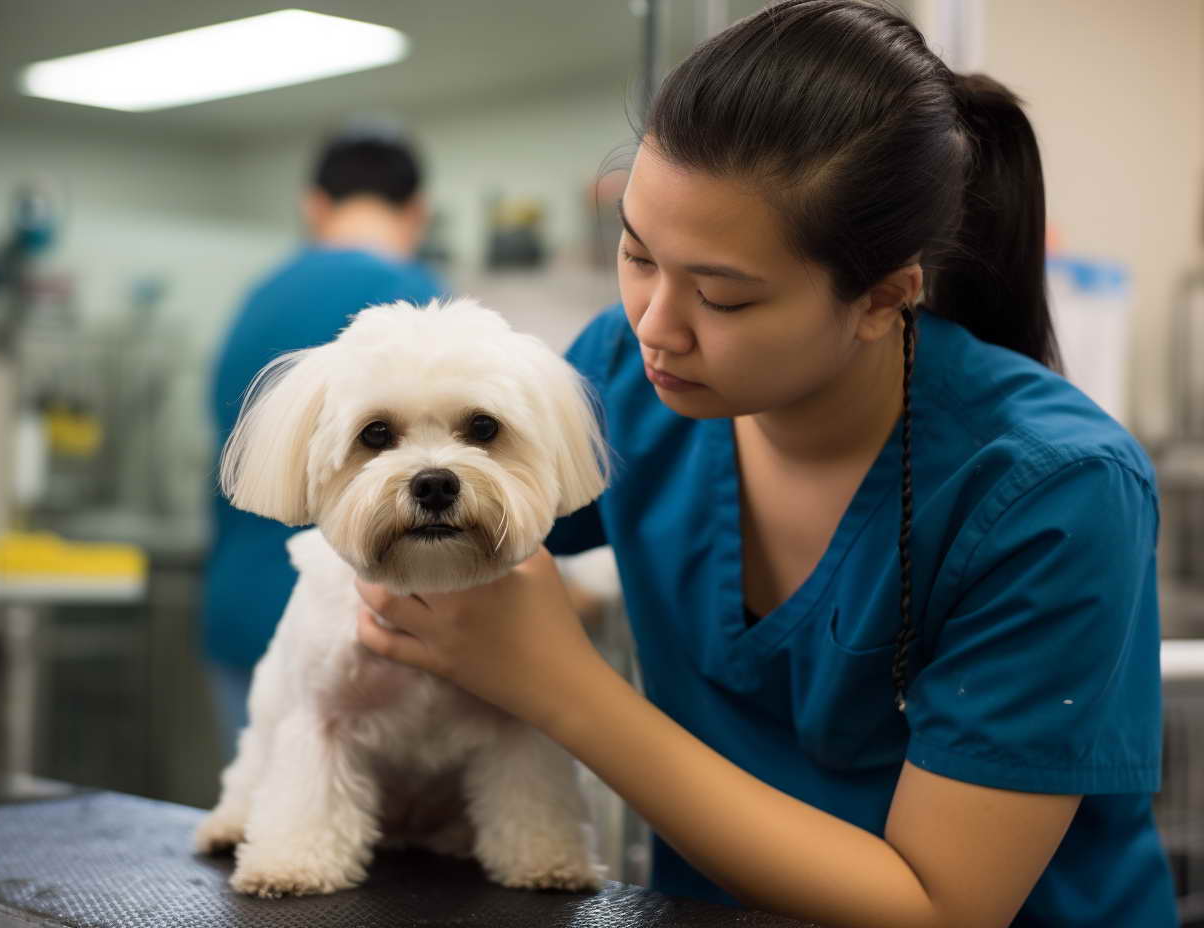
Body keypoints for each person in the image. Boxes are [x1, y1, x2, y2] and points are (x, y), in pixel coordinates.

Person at [352, 2, 1177, 925]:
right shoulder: (625, 374)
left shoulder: (1053, 491)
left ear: (882, 297)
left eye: (722, 296)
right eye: (635, 255)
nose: (656, 325)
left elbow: (941, 908)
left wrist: (561, 684)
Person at [203, 126, 445, 754]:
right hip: (358, 614)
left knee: (271, 815)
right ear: (419, 211)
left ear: (313, 206)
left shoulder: (261, 297)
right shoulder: (416, 300)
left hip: (239, 599)